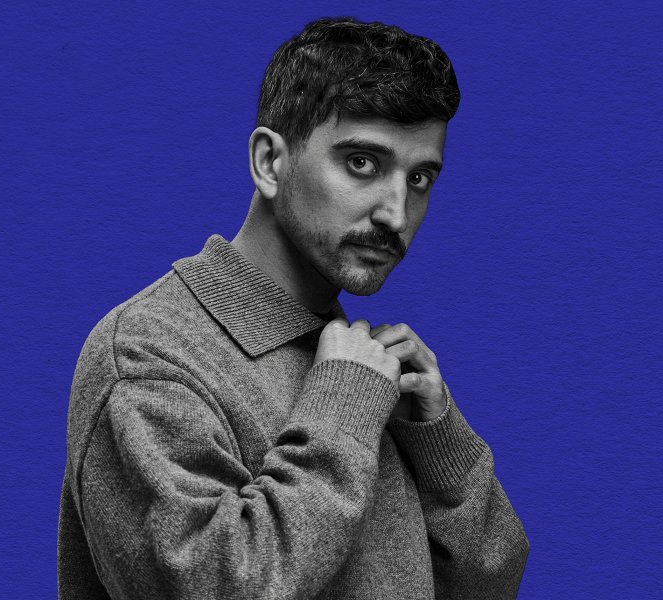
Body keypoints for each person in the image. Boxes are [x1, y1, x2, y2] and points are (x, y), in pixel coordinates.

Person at [57, 17, 529, 600]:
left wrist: (438, 445)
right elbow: (217, 588)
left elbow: (491, 583)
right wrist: (344, 409)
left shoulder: (359, 367)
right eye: (362, 163)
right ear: (269, 162)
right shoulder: (150, 356)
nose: (396, 213)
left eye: (420, 178)